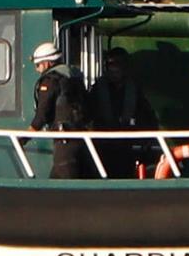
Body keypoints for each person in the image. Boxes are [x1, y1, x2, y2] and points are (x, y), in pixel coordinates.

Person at [88, 47, 157, 177]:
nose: (114, 69)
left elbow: (147, 115)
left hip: (126, 144)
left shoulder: (133, 89)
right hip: (102, 144)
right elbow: (87, 112)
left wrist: (147, 138)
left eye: (117, 64)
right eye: (110, 64)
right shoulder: (98, 89)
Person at [28, 42, 89, 179]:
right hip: (80, 137)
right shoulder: (73, 77)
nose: (37, 70)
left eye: (38, 65)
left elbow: (42, 114)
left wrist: (25, 136)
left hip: (65, 141)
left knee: (64, 184)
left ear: (47, 63)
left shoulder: (50, 81)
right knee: (55, 180)